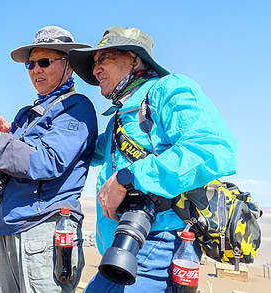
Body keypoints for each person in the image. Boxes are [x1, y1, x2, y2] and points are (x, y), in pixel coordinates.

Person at [68, 26, 238, 292]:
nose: (96, 69)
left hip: (157, 241)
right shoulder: (120, 117)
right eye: (94, 63)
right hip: (127, 244)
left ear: (134, 59)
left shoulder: (167, 90)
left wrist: (128, 178)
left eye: (105, 58)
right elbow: (83, 153)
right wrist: (13, 138)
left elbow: (214, 149)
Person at [0, 26, 98, 292]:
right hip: (8, 228)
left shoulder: (77, 108)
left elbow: (46, 162)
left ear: (69, 66)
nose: (36, 70)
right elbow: (8, 162)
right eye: (31, 64)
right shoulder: (26, 114)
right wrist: (4, 135)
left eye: (45, 62)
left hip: (44, 231)